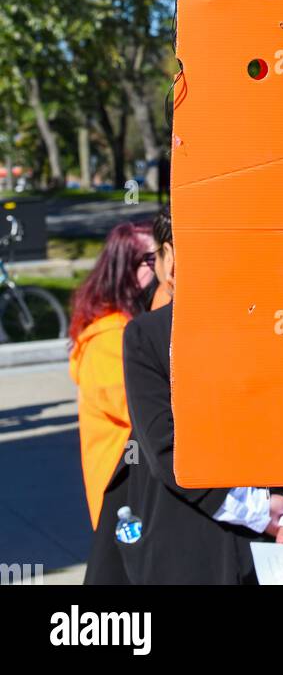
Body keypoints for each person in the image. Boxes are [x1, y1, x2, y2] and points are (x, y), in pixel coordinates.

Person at [88, 209, 283, 584]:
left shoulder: (149, 336)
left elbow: (167, 448)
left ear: (172, 258)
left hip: (194, 538)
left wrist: (261, 511)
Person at [69, 221, 157, 529]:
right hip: (124, 498)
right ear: (126, 268)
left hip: (134, 492)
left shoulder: (123, 329)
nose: (161, 266)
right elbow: (145, 412)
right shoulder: (109, 340)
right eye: (151, 259)